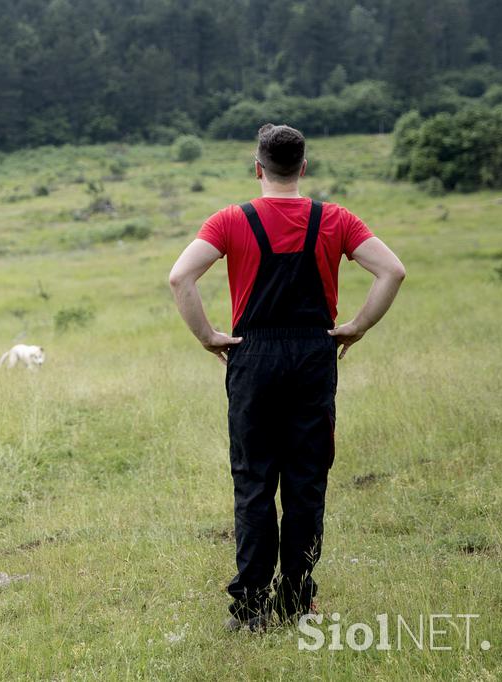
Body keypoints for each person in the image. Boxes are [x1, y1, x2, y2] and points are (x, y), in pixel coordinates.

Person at [167, 124, 405, 631]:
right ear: (303, 167)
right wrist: (356, 328)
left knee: (254, 482)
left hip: (252, 358)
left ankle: (250, 610)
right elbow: (393, 271)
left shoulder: (231, 220)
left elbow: (179, 276)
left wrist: (209, 336)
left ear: (258, 168)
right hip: (313, 356)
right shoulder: (335, 219)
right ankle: (296, 601)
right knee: (305, 482)